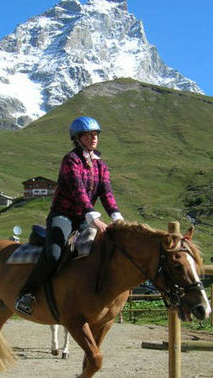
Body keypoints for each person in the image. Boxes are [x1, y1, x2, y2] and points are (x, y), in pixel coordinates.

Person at [15, 116, 124, 317]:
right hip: (62, 216)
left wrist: (117, 217)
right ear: (78, 137)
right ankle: (26, 294)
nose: (93, 138)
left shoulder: (101, 166)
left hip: (84, 219)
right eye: (88, 135)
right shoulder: (71, 160)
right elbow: (78, 190)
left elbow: (106, 193)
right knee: (55, 253)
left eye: (96, 134)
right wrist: (94, 218)